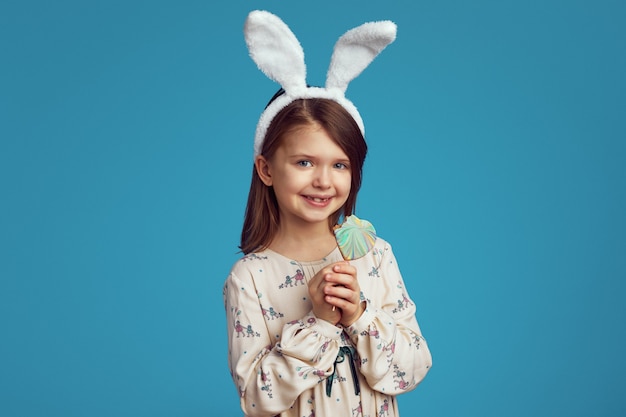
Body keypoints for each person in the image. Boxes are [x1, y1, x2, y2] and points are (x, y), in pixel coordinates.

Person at [223, 10, 432, 417]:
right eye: (304, 163)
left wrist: (359, 315)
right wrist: (318, 324)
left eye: (339, 165)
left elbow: (411, 370)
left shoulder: (376, 257)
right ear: (266, 169)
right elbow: (255, 399)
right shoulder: (250, 279)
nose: (323, 180)